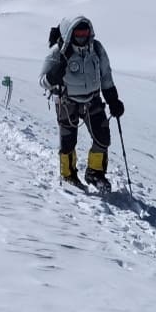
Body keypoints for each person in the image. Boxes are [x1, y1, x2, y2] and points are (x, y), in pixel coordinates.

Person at [40, 16, 124, 190]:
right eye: (77, 33)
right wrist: (53, 76)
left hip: (92, 100)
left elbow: (106, 75)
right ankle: (68, 174)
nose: (82, 36)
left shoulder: (97, 49)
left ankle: (95, 173)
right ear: (69, 34)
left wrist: (113, 99)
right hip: (66, 101)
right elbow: (43, 81)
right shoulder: (57, 53)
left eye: (85, 32)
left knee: (103, 138)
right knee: (68, 142)